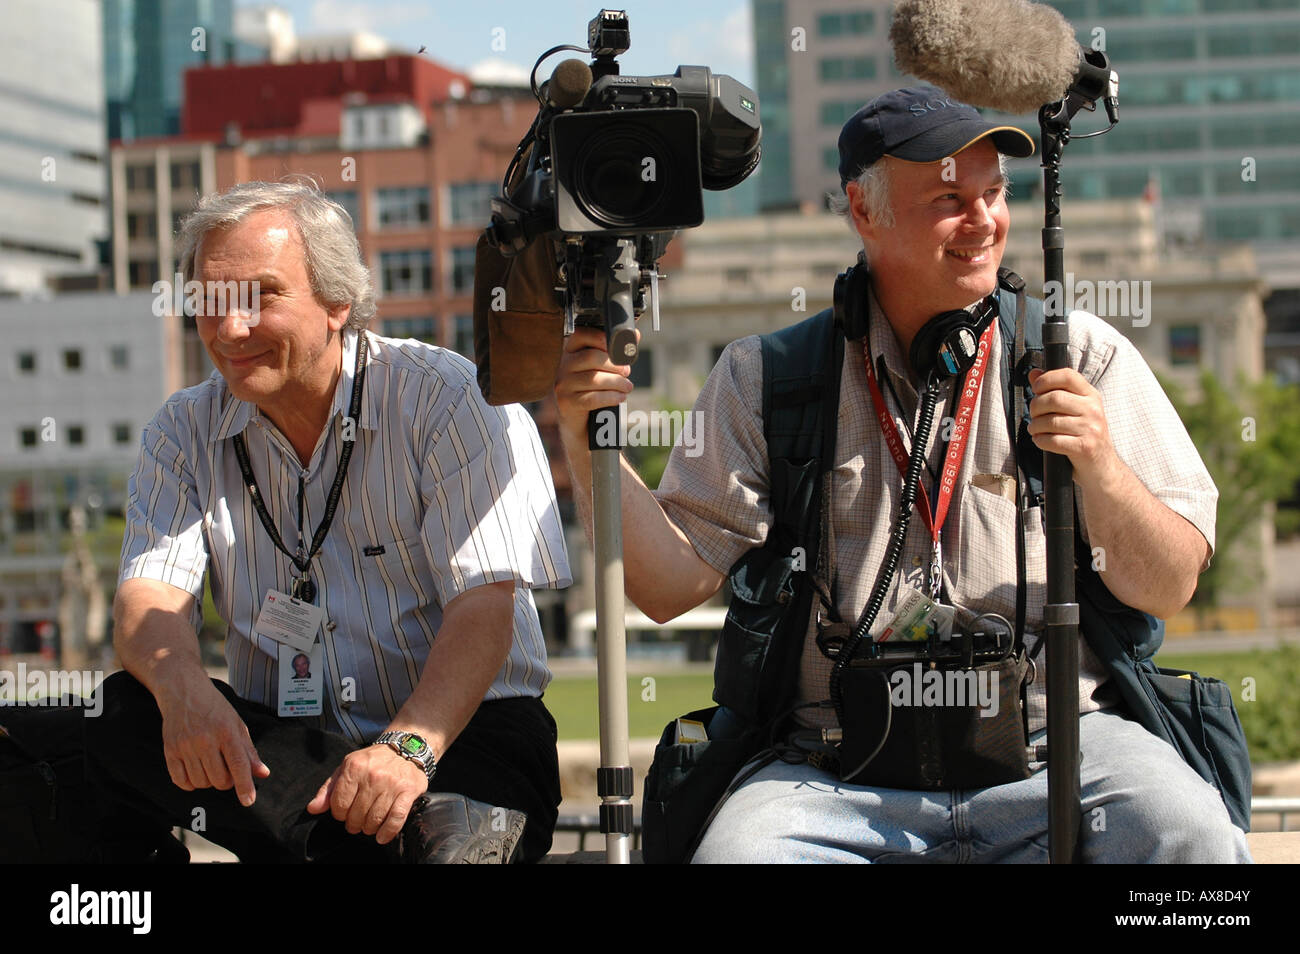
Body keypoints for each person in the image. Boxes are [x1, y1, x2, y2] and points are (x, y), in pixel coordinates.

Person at [554, 86, 1252, 863]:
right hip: (834, 768)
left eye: (993, 194)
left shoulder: (1079, 356)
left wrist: (1100, 465)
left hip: (1061, 748)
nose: (983, 220)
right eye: (949, 199)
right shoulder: (766, 375)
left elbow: (1169, 585)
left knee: (1192, 841)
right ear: (864, 210)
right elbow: (666, 588)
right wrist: (592, 450)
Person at [91, 180, 571, 863]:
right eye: (210, 300)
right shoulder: (181, 429)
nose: (229, 329)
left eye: (259, 296)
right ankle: (402, 837)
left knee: (436, 799)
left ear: (338, 301)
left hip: (460, 733)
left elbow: (484, 611)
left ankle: (394, 831)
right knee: (115, 713)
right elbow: (147, 605)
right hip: (294, 748)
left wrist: (406, 752)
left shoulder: (446, 398)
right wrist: (185, 694)